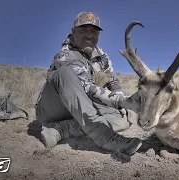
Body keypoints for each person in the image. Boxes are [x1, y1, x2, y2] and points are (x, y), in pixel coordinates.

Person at [35, 12, 142, 156]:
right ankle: (106, 137)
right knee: (65, 73)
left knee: (124, 117)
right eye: (83, 30)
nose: (89, 35)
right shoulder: (66, 55)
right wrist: (121, 101)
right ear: (73, 32)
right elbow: (88, 87)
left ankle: (61, 129)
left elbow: (112, 81)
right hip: (53, 109)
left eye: (94, 31)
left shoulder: (102, 56)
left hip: (82, 108)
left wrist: (121, 98)